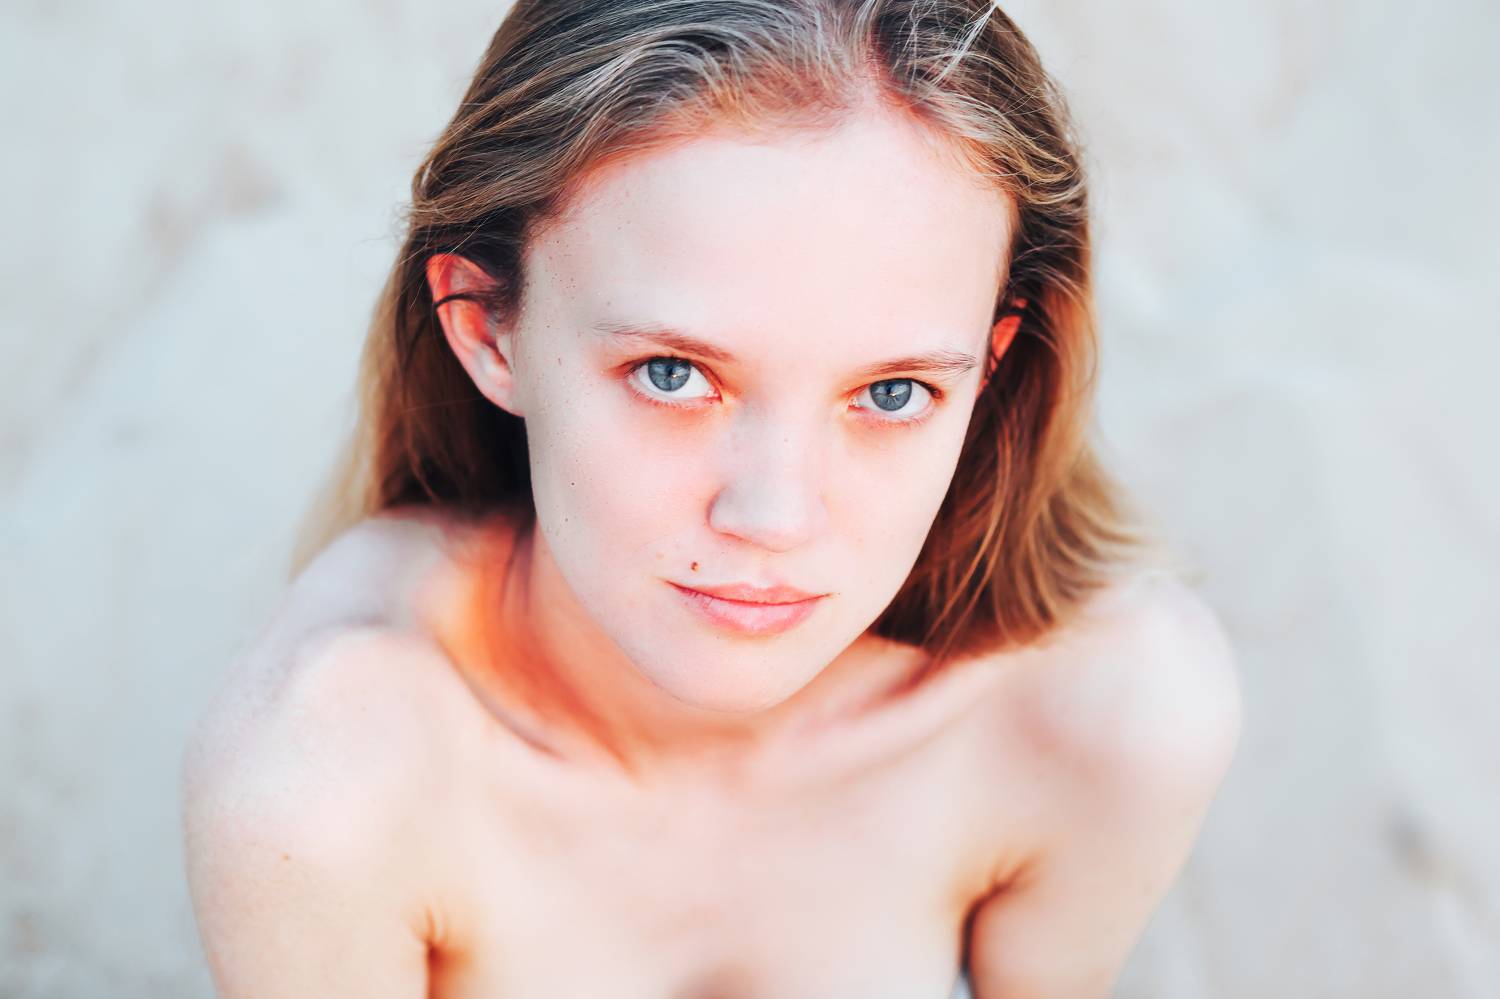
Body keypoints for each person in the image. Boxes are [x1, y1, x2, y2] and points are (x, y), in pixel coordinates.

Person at [181, 1, 1242, 995]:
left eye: (892, 392)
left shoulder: (1105, 715)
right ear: (490, 330)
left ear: (991, 366)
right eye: (673, 374)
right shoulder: (331, 785)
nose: (775, 518)